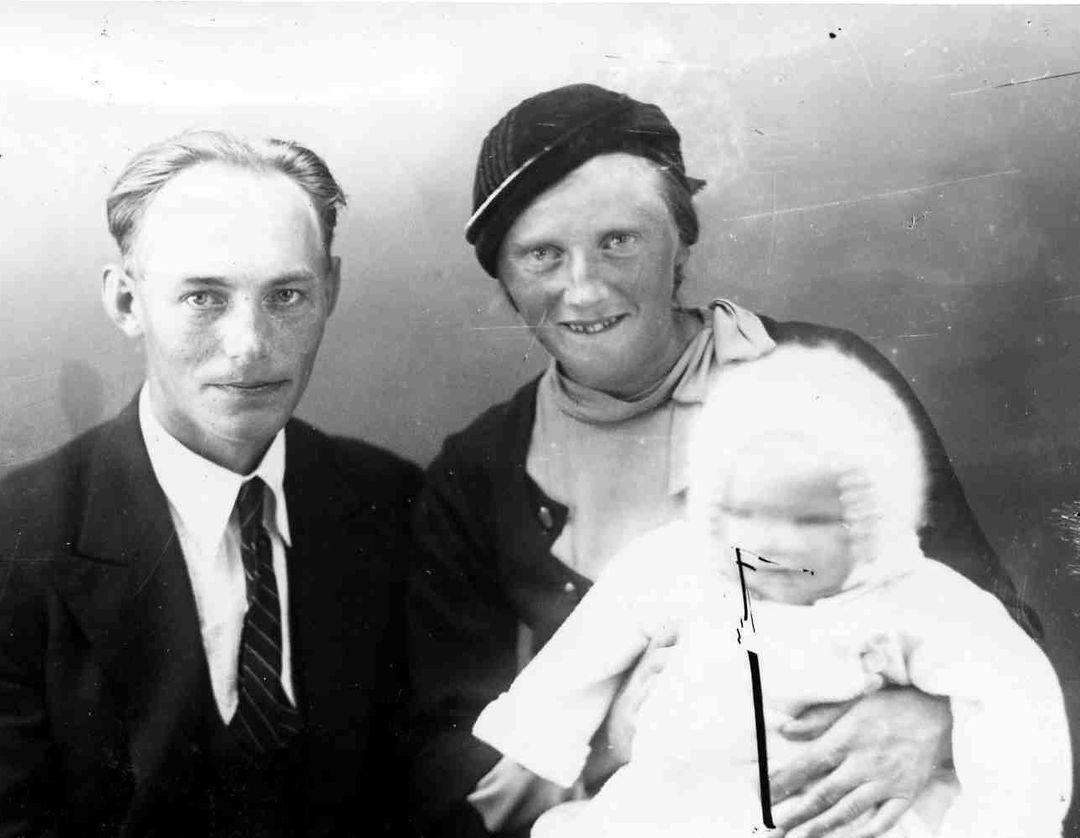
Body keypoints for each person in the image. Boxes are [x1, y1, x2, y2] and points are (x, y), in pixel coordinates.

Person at [407, 83, 1042, 838]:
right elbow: (442, 772)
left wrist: (932, 718)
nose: (584, 288)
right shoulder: (477, 475)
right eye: (542, 254)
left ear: (680, 239)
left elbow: (992, 623)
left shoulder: (829, 383)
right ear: (505, 277)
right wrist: (613, 742)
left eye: (619, 240)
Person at [0, 130, 421, 837]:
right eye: (203, 298)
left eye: (286, 295)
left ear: (331, 291)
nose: (249, 345)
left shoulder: (394, 506)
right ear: (127, 303)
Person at [471, 343, 1071, 838]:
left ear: (868, 519)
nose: (771, 543)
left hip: (836, 816)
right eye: (746, 514)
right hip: (679, 805)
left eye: (810, 521)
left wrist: (1004, 824)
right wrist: (540, 734)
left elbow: (1012, 696)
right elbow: (591, 639)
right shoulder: (680, 564)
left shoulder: (909, 597)